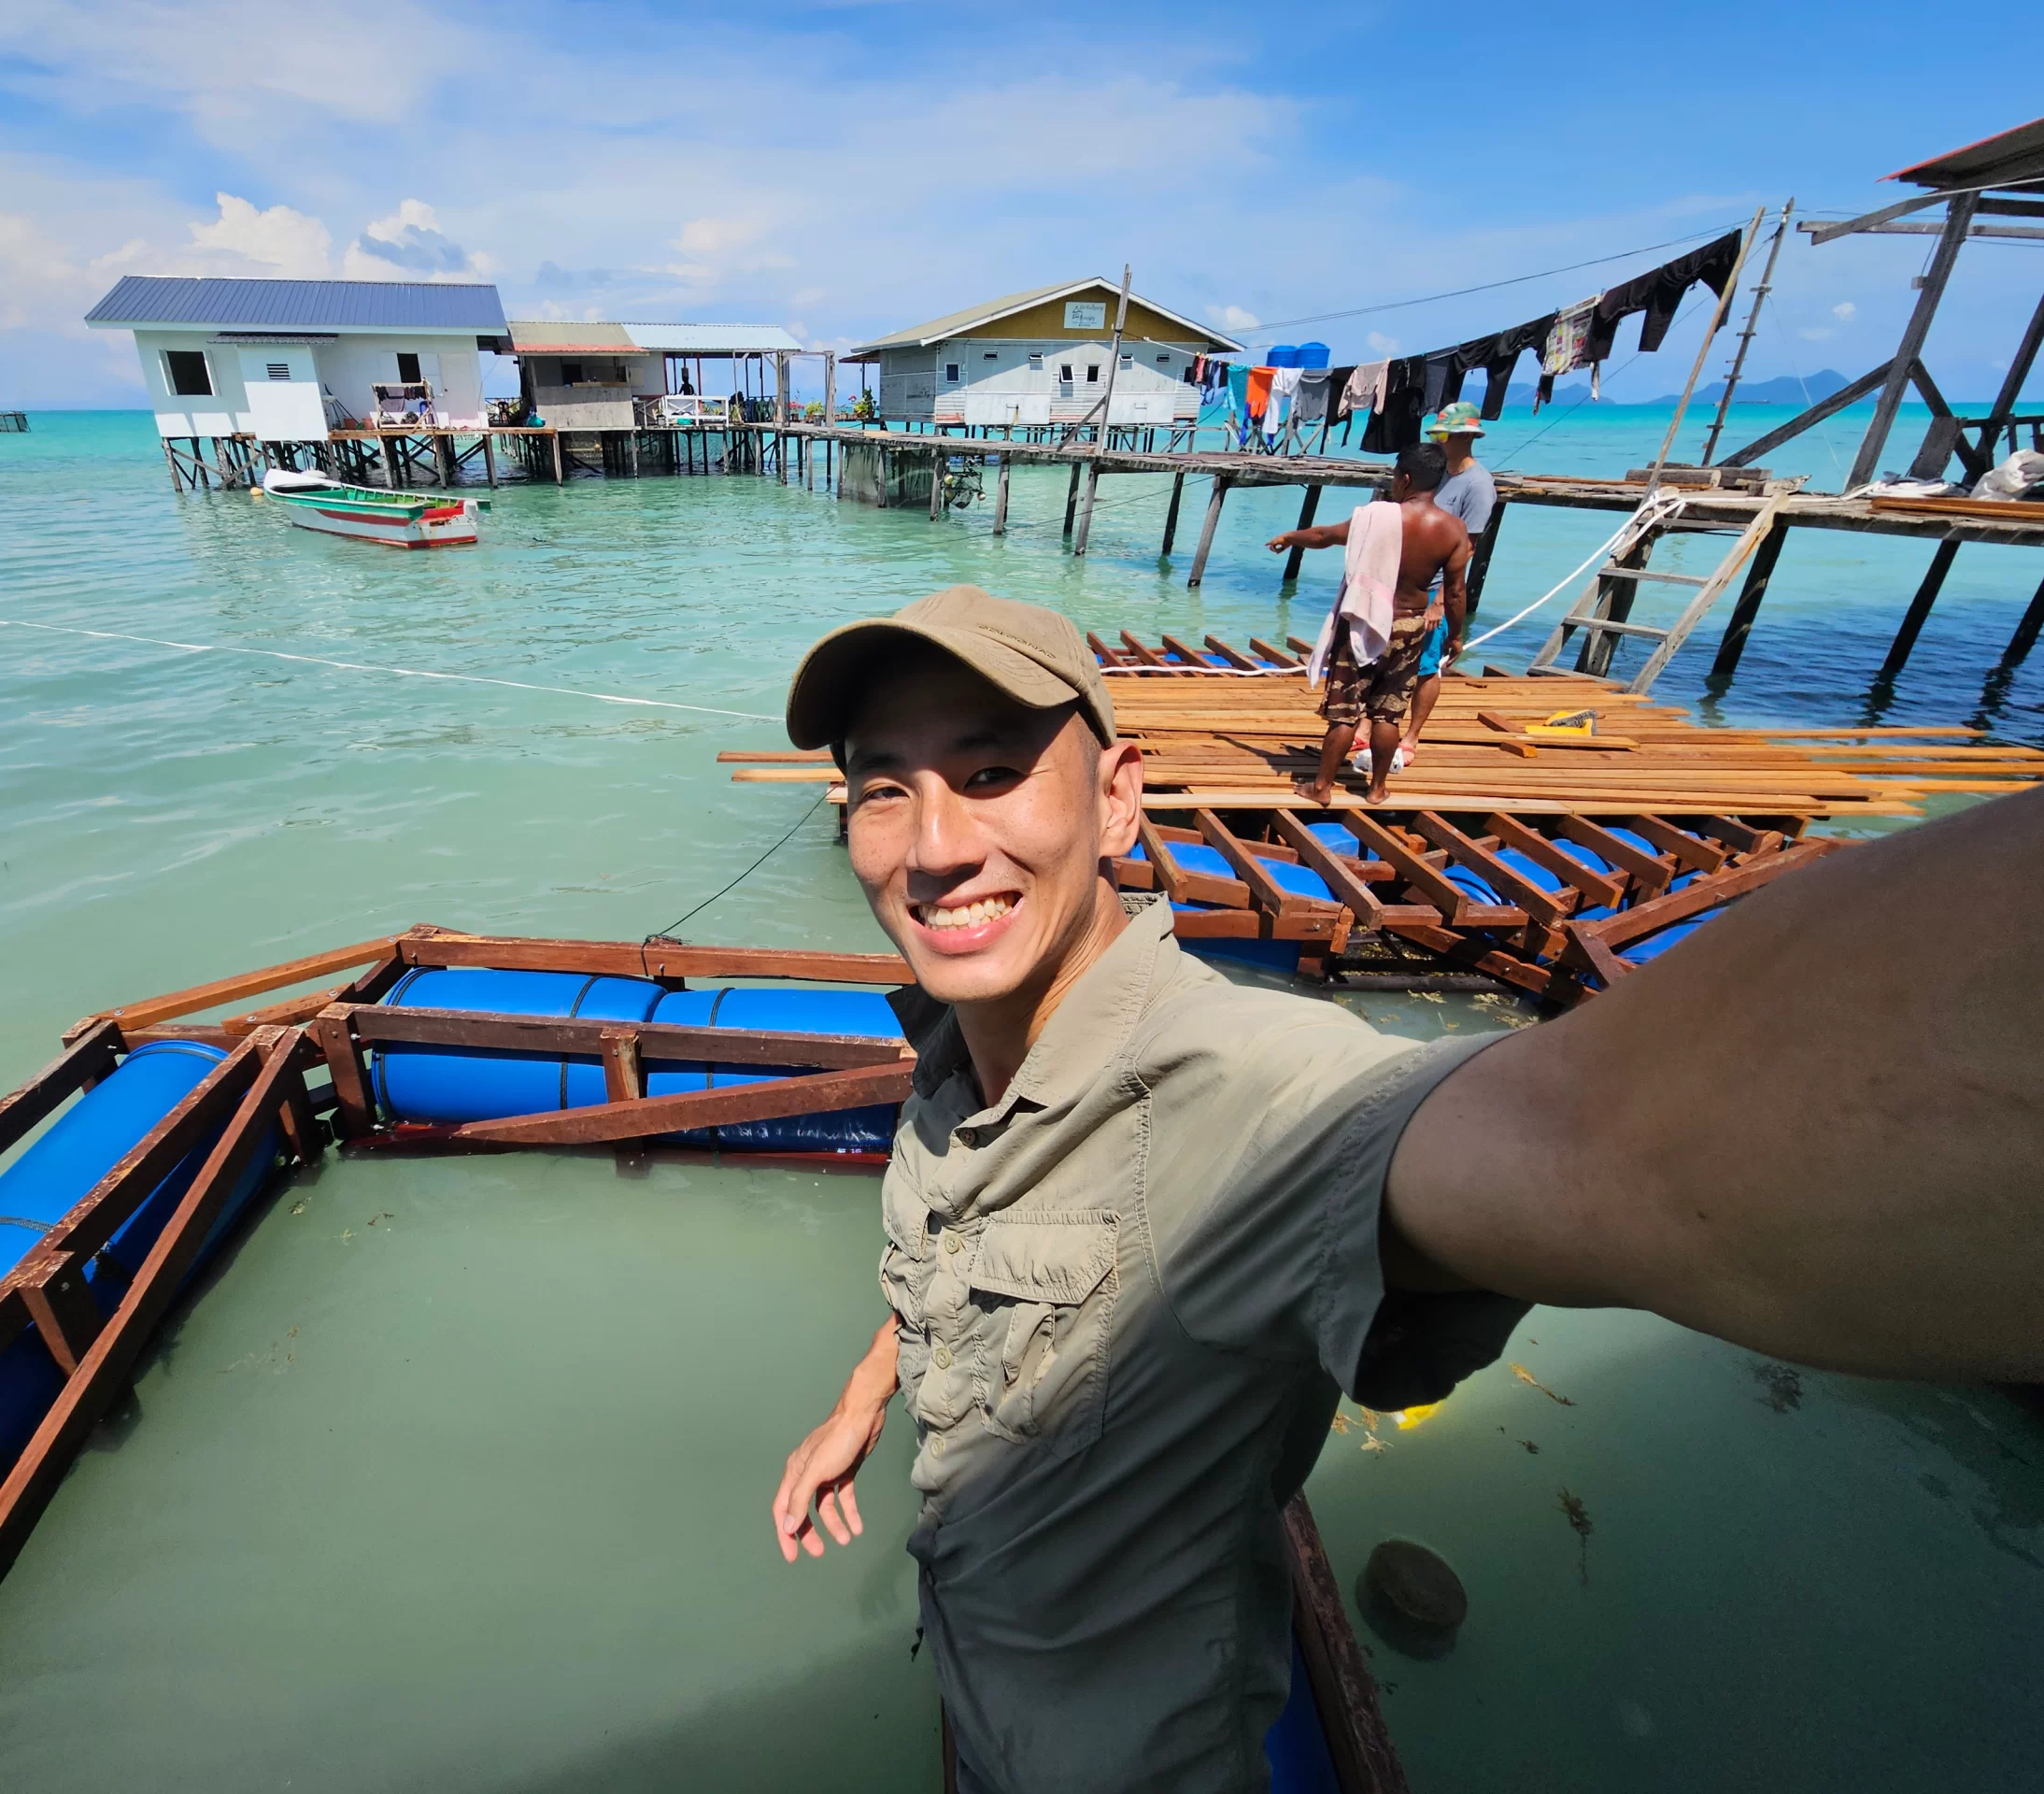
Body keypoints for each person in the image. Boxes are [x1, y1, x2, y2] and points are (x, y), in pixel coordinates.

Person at [766, 582, 2043, 1794]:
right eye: (887, 789)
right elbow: (975, 1237)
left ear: (1116, 801)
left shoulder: (1239, 1094)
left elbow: (1588, 1139)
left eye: (991, 774)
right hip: (985, 1671)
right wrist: (864, 1399)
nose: (934, 847)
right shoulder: (954, 1057)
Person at [1265, 444, 1469, 804]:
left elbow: (1324, 536)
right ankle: (1377, 789)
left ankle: (1322, 787)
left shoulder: (1377, 517)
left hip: (1365, 621)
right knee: (1388, 713)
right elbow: (1455, 594)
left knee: (1345, 712)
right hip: (1410, 626)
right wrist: (1455, 635)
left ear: (1404, 479)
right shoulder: (1453, 530)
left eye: (1394, 477)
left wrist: (1287, 538)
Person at [1398, 399, 1498, 761]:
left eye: (1443, 434)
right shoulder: (1438, 474)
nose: (1438, 440)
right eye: (1436, 434)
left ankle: (1411, 735)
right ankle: (1371, 723)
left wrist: (1440, 602)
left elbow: (1466, 550)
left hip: (1435, 589)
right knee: (1384, 659)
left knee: (1426, 666)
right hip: (1405, 586)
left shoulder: (1478, 485)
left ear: (1464, 437)